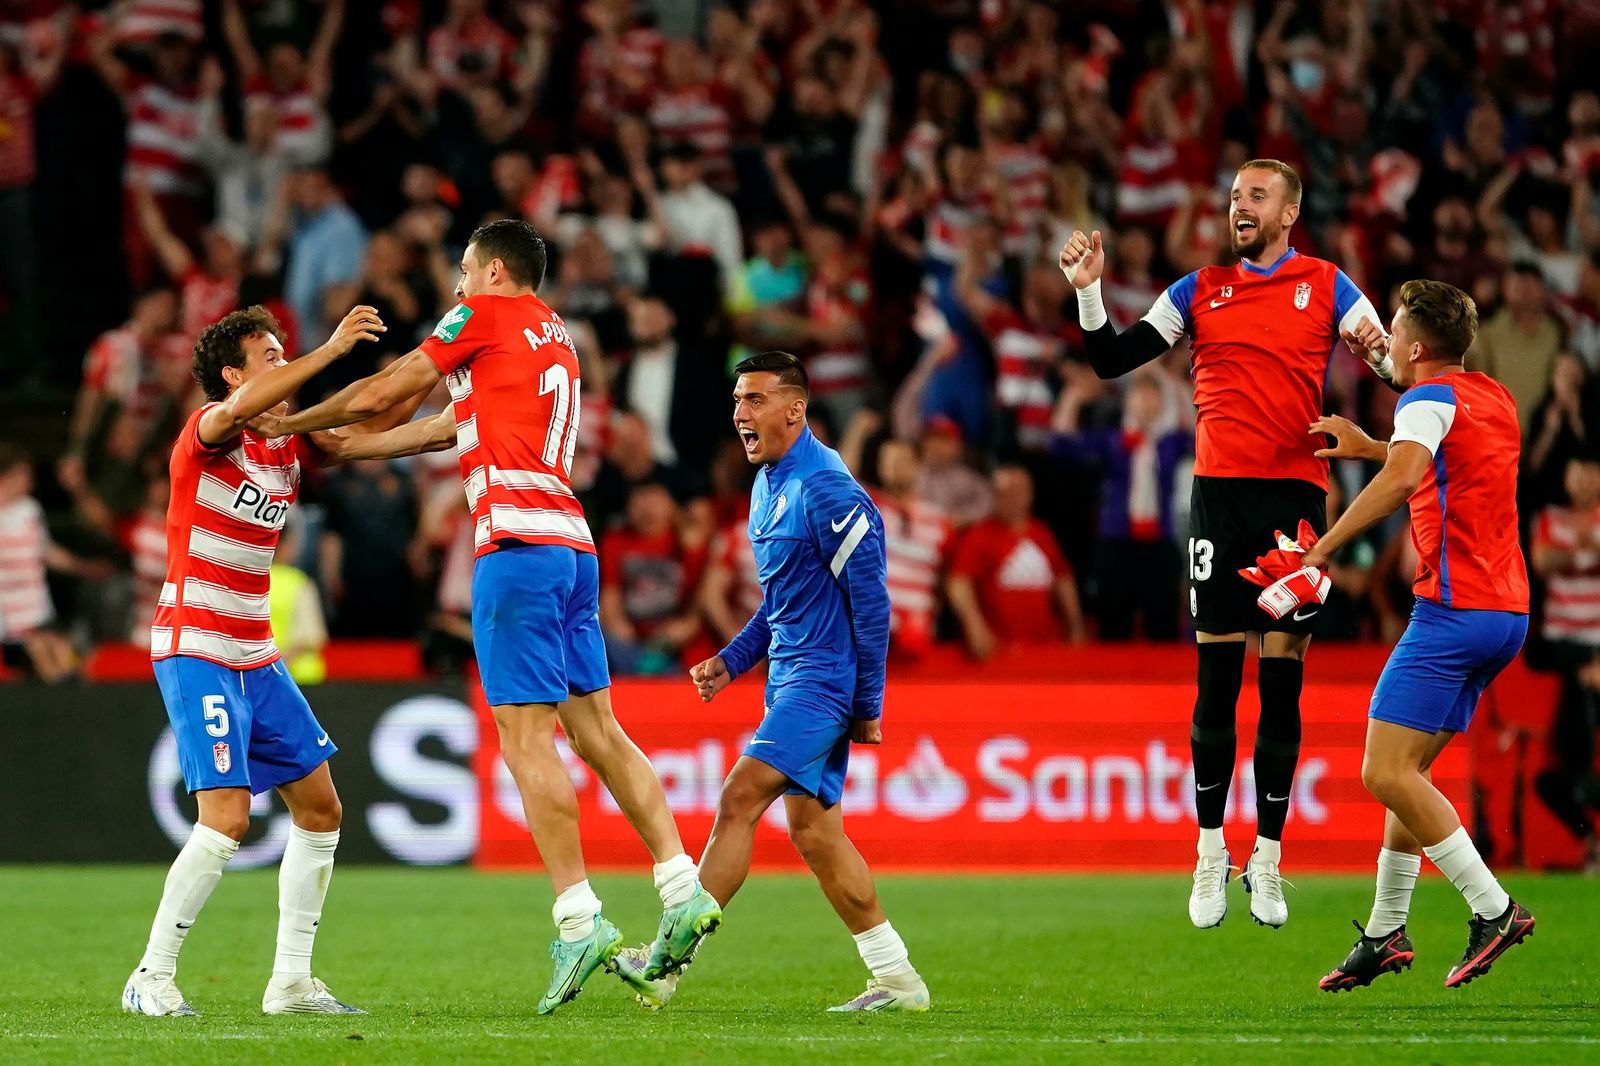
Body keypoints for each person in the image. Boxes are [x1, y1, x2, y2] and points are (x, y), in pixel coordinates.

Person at [248, 219, 698, 1014]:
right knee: (599, 731)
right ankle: (681, 883)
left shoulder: (480, 316)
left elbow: (391, 389)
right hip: (571, 546)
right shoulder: (554, 338)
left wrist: (299, 421)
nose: (455, 286)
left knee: (526, 740)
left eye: (463, 270)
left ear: (493, 271)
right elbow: (457, 425)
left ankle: (578, 917)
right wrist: (357, 450)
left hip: (516, 547)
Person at [1058, 158, 1394, 929]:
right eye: (1235, 194)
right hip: (1218, 499)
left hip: (1295, 502)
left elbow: (1395, 367)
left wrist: (1385, 359)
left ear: (1288, 212)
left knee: (1283, 685)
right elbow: (1111, 358)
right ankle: (1212, 851)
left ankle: (1268, 860)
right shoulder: (1198, 291)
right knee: (1215, 683)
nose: (1239, 205)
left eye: (1255, 195)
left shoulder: (1329, 284)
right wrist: (1088, 289)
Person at [642, 351, 931, 1014]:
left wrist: (868, 704)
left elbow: (873, 599)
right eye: (738, 400)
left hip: (824, 682)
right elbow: (783, 602)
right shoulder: (769, 482)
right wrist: (732, 661)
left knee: (739, 797)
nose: (741, 414)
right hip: (790, 677)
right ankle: (898, 979)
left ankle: (664, 965)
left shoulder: (826, 488)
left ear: (795, 409)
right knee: (816, 835)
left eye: (756, 400)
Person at [122, 302, 387, 1018]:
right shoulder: (204, 434)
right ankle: (150, 976)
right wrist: (330, 350)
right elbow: (243, 409)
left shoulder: (283, 441)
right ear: (233, 377)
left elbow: (363, 432)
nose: (282, 361)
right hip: (197, 646)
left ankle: (291, 983)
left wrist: (457, 410)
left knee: (322, 807)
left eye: (284, 350)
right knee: (228, 820)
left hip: (255, 653)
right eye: (268, 355)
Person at [1295, 280, 1535, 991]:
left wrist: (1324, 547)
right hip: (1507, 614)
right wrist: (1374, 445)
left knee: (1383, 772)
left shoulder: (1423, 401)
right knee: (1411, 777)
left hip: (1452, 614)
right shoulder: (1492, 397)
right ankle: (1383, 932)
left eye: (1395, 333)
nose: (1388, 344)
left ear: (1418, 347)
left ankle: (1494, 909)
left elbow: (1407, 481)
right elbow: (1443, 470)